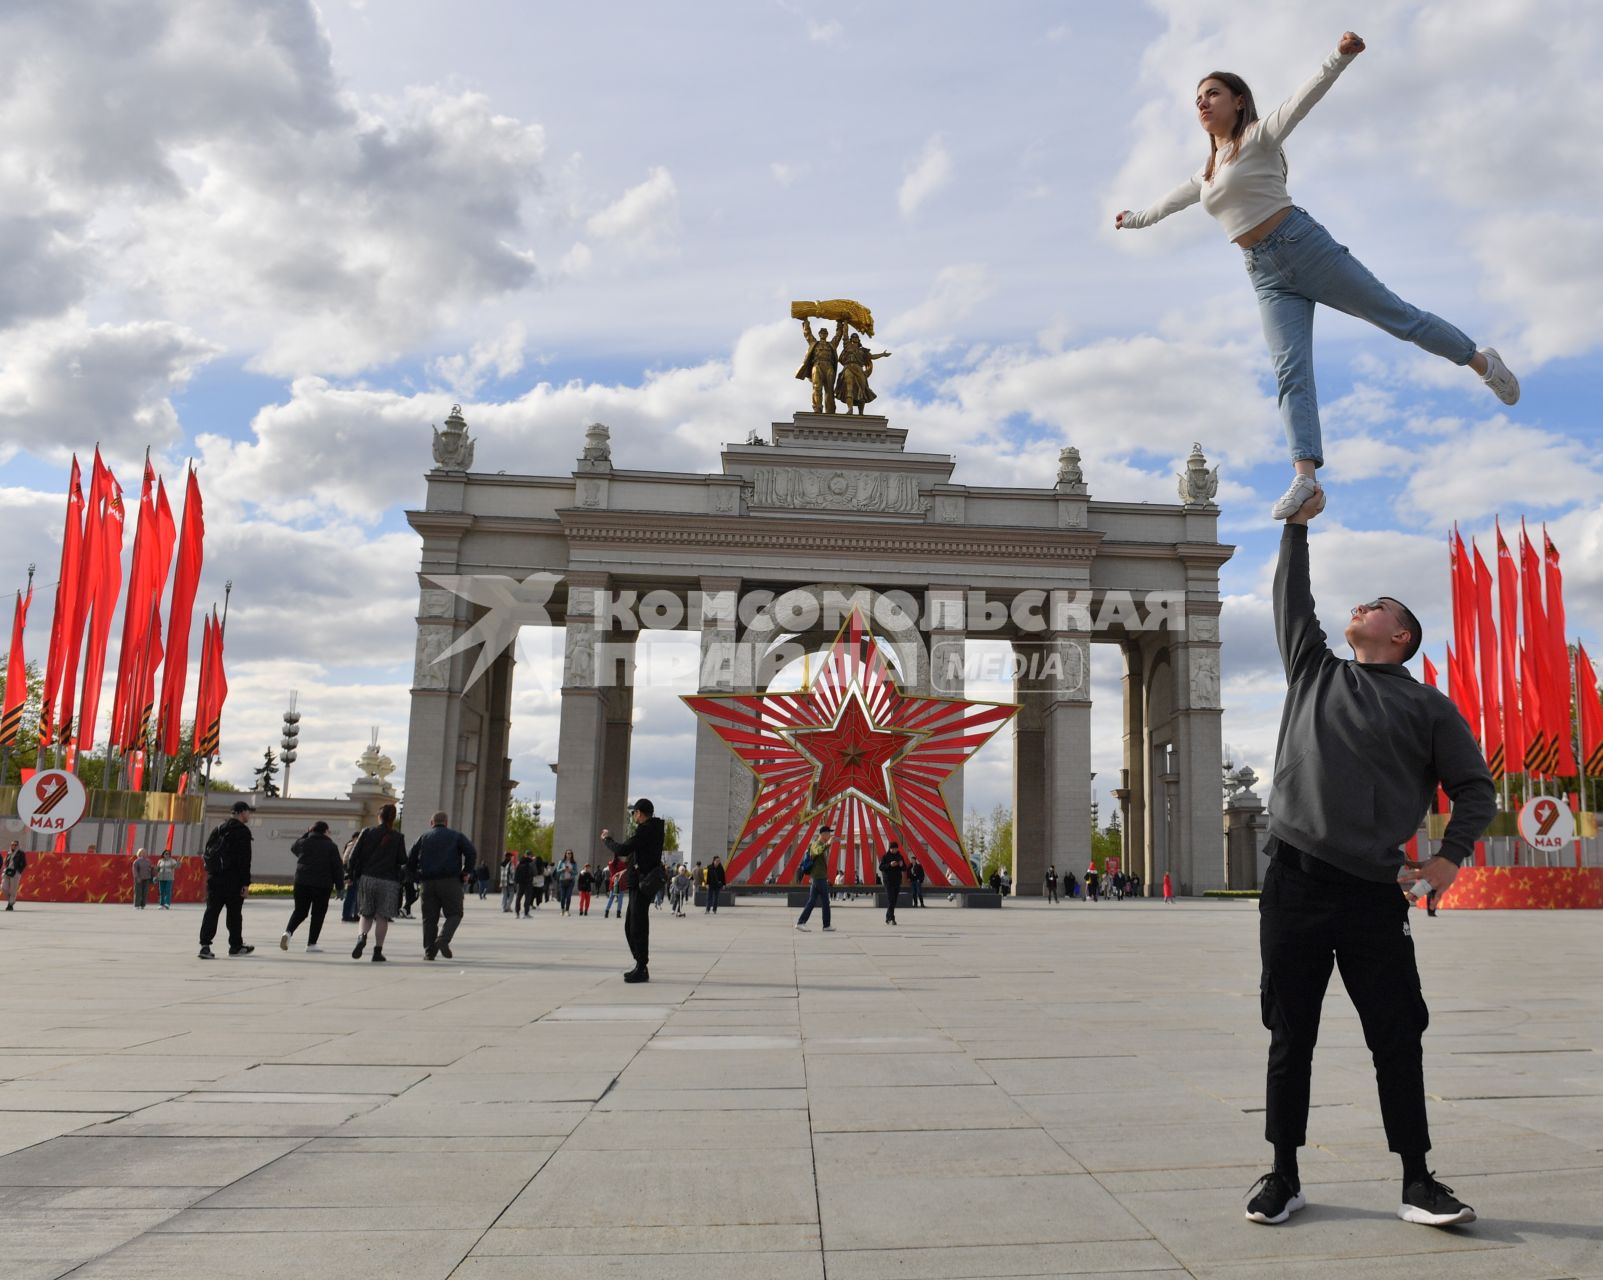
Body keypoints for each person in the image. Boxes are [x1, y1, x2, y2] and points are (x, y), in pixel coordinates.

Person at [1114, 31, 1519, 522]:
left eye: (1213, 93)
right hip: (1264, 274)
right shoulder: (1206, 175)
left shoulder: (1259, 138)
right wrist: (1134, 218)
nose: (1203, 103)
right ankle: (1305, 474)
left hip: (1304, 247)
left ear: (1238, 102)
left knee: (1400, 319)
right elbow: (1166, 204)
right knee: (1290, 372)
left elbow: (1303, 100)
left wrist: (1339, 56)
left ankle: (1482, 362)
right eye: (1198, 99)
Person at [1246, 486, 1494, 1230]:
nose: (1363, 607)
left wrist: (1449, 858)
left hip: (1370, 898)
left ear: (1400, 638)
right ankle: (1282, 1174)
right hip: (1291, 882)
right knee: (1291, 1032)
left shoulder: (1426, 707)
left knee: (1395, 1035)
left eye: (1378, 605)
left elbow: (1473, 789)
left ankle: (1417, 1180)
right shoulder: (1315, 670)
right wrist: (1295, 527)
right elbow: (1292, 598)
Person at [600, 798, 667, 983]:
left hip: (641, 883)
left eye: (634, 813)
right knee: (632, 925)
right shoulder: (654, 829)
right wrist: (625, 870)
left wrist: (607, 839)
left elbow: (622, 849)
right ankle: (640, 963)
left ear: (639, 812)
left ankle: (642, 967)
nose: (634, 817)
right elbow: (641, 856)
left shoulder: (646, 830)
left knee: (637, 925)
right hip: (640, 880)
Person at [409, 810, 476, 961]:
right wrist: (466, 871)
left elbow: (410, 858)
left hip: (427, 883)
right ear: (446, 823)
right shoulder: (456, 836)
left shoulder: (423, 837)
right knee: (455, 913)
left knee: (429, 918)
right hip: (450, 881)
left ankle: (429, 952)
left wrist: (416, 876)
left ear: (431, 823)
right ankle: (443, 939)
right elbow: (471, 852)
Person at [348, 803, 406, 962]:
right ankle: (377, 951)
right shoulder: (398, 837)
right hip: (389, 881)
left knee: (365, 914)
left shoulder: (367, 832)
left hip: (368, 878)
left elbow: (354, 856)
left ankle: (361, 937)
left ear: (379, 817)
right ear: (393, 819)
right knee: (382, 917)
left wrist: (350, 874)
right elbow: (402, 859)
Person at [198, 800, 255, 959]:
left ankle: (205, 946)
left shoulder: (218, 829)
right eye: (248, 812)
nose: (249, 815)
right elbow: (245, 860)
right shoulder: (242, 831)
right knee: (234, 914)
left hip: (215, 878)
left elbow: (208, 853)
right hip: (234, 880)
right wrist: (245, 883)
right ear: (241, 812)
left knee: (211, 912)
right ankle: (235, 946)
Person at [281, 821, 344, 952]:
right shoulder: (331, 846)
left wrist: (308, 833)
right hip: (322, 885)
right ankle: (311, 944)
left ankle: (288, 932)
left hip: (301, 882)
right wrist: (340, 887)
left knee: (300, 911)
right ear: (325, 831)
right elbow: (337, 868)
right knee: (318, 914)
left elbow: (294, 847)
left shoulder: (303, 843)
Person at [794, 826, 835, 932]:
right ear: (823, 834)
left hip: (820, 877)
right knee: (825, 901)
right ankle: (825, 925)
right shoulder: (816, 844)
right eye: (828, 833)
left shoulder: (821, 844)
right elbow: (816, 852)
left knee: (813, 901)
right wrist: (827, 844)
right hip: (818, 877)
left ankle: (802, 922)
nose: (829, 835)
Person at [879, 841, 908, 925]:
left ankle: (888, 917)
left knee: (894, 900)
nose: (894, 850)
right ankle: (892, 918)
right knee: (891, 899)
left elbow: (904, 868)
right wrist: (890, 865)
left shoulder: (900, 857)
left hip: (897, 881)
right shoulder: (885, 857)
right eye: (893, 849)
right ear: (890, 849)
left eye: (896, 848)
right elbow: (881, 867)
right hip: (888, 881)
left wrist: (902, 865)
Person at [340, 833, 362, 922]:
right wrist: (349, 873)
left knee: (356, 896)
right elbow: (345, 860)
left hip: (357, 873)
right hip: (353, 874)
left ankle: (354, 914)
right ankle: (346, 915)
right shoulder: (352, 845)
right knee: (351, 895)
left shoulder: (358, 846)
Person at [3, 840, 27, 910]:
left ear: (18, 845)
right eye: (12, 845)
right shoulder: (9, 852)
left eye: (15, 845)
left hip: (15, 872)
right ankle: (11, 900)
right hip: (7, 871)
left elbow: (24, 863)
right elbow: (6, 862)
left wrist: (19, 871)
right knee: (4, 888)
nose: (13, 846)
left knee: (13, 889)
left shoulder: (21, 853)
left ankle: (10, 904)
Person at [514, 851, 536, 918]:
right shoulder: (531, 863)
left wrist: (516, 882)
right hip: (528, 883)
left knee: (518, 898)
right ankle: (526, 914)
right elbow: (535, 872)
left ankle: (517, 913)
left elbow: (516, 873)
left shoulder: (519, 862)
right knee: (527, 898)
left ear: (524, 855)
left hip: (520, 883)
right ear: (531, 855)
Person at [556, 850, 578, 915]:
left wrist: (570, 871)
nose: (569, 854)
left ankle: (567, 911)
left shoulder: (574, 863)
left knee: (568, 896)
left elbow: (576, 872)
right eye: (568, 853)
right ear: (565, 854)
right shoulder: (561, 862)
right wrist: (563, 869)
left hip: (571, 881)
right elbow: (557, 871)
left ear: (572, 855)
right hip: (562, 881)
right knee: (563, 896)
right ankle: (562, 910)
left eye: (570, 853)